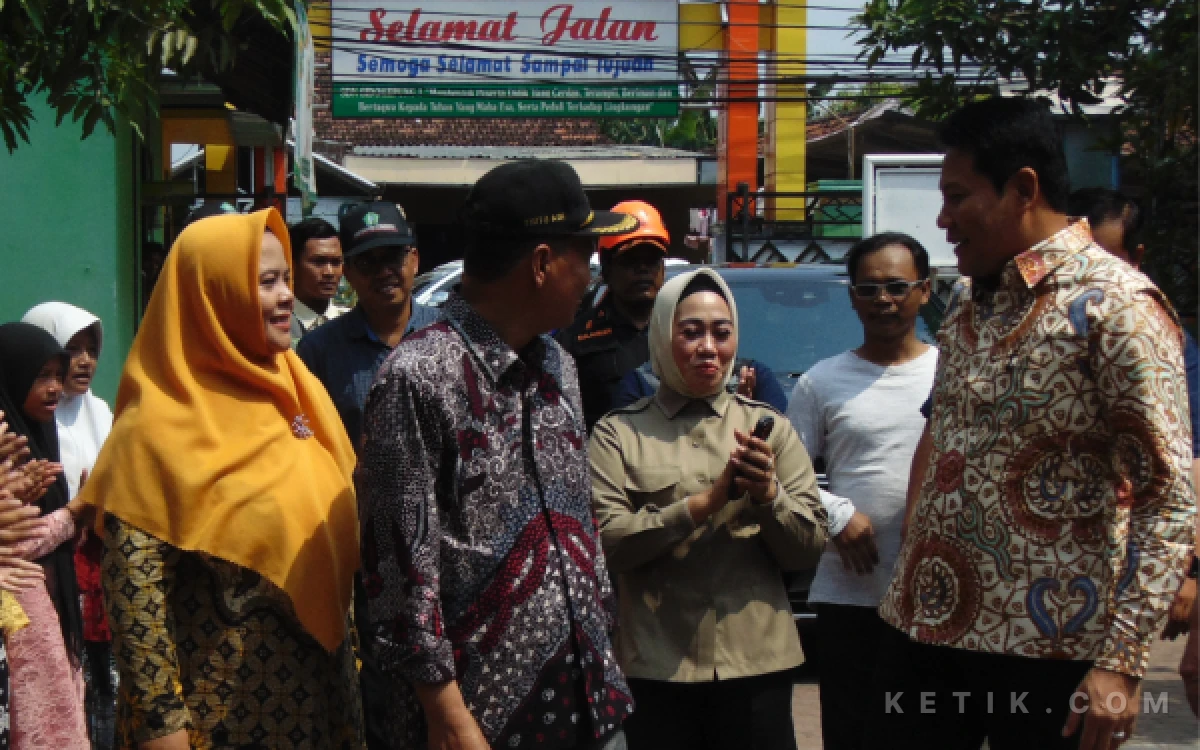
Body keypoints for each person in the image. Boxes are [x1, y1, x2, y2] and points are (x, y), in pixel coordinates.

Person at [867, 98, 1196, 750]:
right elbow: (947, 440)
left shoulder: (1118, 308)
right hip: (927, 632)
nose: (942, 219)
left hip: (1049, 653)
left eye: (958, 197)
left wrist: (1122, 664)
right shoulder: (966, 302)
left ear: (1023, 188)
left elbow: (1168, 496)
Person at [357, 159, 635, 750]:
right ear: (540, 263)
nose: (591, 273)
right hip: (483, 719)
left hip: (590, 700)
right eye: (583, 253)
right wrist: (448, 714)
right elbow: (399, 573)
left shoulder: (560, 365)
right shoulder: (418, 378)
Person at [77, 209, 364, 748]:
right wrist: (163, 728)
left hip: (323, 704)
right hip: (219, 719)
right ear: (212, 295)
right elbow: (135, 597)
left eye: (285, 279)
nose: (286, 296)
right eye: (265, 282)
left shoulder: (299, 394)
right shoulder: (154, 429)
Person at [589, 267, 828, 750]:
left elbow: (808, 549)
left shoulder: (769, 429)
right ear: (661, 336)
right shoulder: (618, 434)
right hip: (657, 665)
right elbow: (607, 545)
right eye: (690, 332)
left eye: (721, 333)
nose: (708, 347)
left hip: (757, 664)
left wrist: (768, 497)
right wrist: (707, 503)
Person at [785, 233, 937, 750]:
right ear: (851, 296)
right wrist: (835, 514)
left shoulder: (953, 375)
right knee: (853, 734)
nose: (884, 300)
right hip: (850, 598)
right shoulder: (821, 382)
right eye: (868, 289)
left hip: (937, 600)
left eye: (897, 286)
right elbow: (788, 474)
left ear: (926, 290)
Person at [1067, 188, 1200, 644]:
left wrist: (1189, 570)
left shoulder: (1154, 330)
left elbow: (1186, 465)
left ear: (1135, 256)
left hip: (1112, 577)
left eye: (1104, 255)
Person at [21, 302, 116, 750]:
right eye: (70, 351)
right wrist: (78, 510)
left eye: (91, 349)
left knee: (99, 690)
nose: (84, 362)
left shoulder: (102, 413)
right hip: (42, 578)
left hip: (98, 570)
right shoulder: (23, 427)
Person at [0, 323, 90, 749]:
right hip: (17, 617)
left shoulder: (36, 439)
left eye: (59, 375)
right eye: (41, 376)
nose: (55, 388)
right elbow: (12, 541)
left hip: (49, 607)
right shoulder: (6, 447)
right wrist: (74, 514)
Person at [297, 201, 439, 450]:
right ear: (348, 272)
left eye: (393, 257)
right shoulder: (319, 350)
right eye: (367, 262)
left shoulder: (449, 334)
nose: (384, 272)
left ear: (414, 260)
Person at [556, 200, 669, 430]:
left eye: (651, 260)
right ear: (606, 270)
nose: (643, 269)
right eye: (631, 260)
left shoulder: (684, 332)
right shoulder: (574, 341)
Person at [287, 217, 349, 345]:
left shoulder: (353, 324)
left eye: (336, 262)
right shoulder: (277, 326)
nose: (329, 272)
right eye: (318, 262)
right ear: (292, 266)